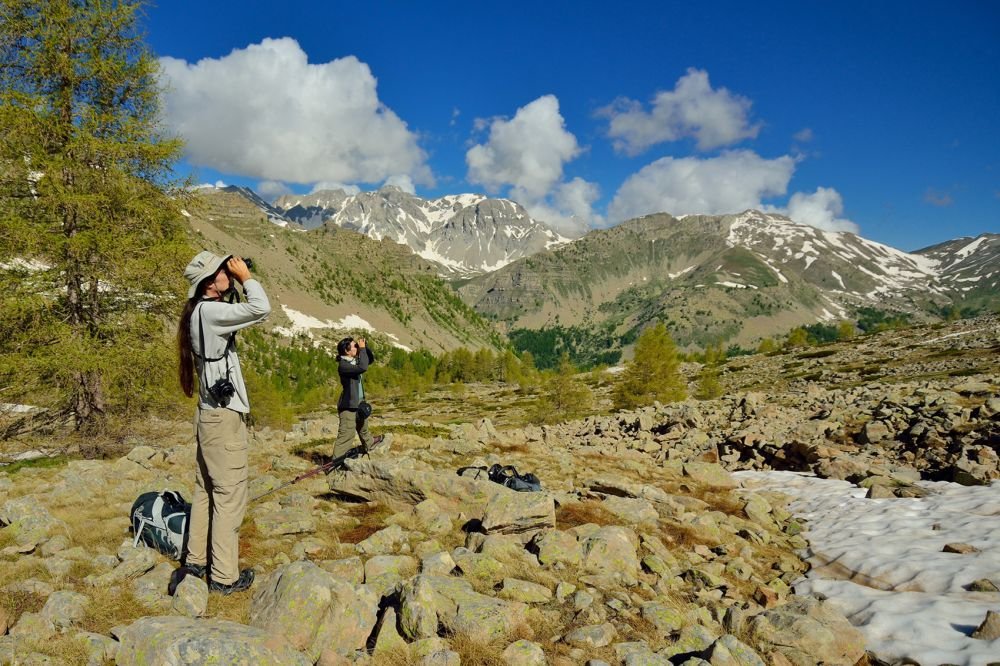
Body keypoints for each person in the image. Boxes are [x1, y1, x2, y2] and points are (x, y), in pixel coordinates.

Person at [175, 251, 270, 595]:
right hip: (224, 419)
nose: (227, 273)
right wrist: (246, 278)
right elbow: (261, 308)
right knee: (229, 496)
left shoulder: (197, 312)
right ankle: (224, 577)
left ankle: (196, 560)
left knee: (205, 491)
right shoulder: (213, 312)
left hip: (207, 415)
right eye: (221, 271)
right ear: (208, 282)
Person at [332, 336, 389, 462]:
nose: (357, 348)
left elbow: (370, 360)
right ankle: (335, 462)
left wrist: (364, 347)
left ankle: (369, 443)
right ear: (347, 351)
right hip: (348, 406)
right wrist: (362, 349)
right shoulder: (344, 365)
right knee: (347, 434)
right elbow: (363, 367)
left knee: (363, 426)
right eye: (354, 346)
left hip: (358, 403)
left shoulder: (353, 361)